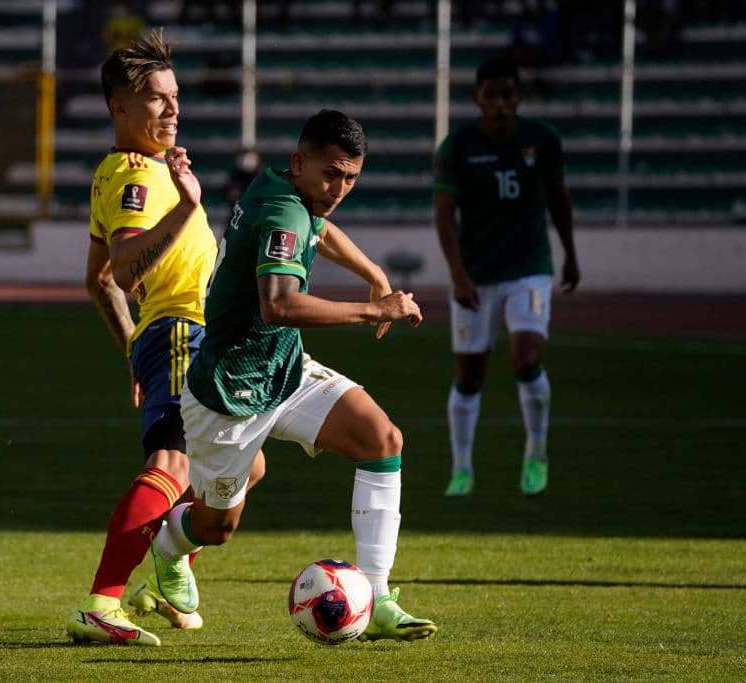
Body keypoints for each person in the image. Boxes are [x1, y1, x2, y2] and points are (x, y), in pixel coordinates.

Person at [148, 109, 439, 644]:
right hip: (229, 391)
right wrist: (376, 311)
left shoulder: (283, 188)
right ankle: (168, 546)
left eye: (351, 177)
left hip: (284, 368)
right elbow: (279, 305)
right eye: (331, 173)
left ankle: (375, 597)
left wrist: (374, 274)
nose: (339, 188)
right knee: (218, 527)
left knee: (382, 439)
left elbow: (319, 229)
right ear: (300, 162)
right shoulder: (284, 209)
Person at [66, 28, 264, 647]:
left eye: (175, 95)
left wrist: (132, 348)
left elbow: (97, 281)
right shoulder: (134, 180)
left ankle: (171, 557)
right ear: (119, 107)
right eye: (156, 98)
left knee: (245, 467)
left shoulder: (137, 171)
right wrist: (185, 208)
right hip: (183, 328)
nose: (173, 108)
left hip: (195, 335)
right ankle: (102, 601)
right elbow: (124, 272)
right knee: (176, 463)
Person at [433, 56, 579, 498]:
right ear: (477, 99)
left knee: (526, 357)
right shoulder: (457, 147)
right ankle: (462, 468)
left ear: (518, 97)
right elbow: (444, 216)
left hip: (528, 268)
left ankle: (536, 452)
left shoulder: (543, 140)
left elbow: (559, 199)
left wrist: (570, 253)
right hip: (476, 274)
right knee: (470, 373)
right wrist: (457, 274)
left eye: (507, 94)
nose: (499, 104)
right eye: (490, 95)